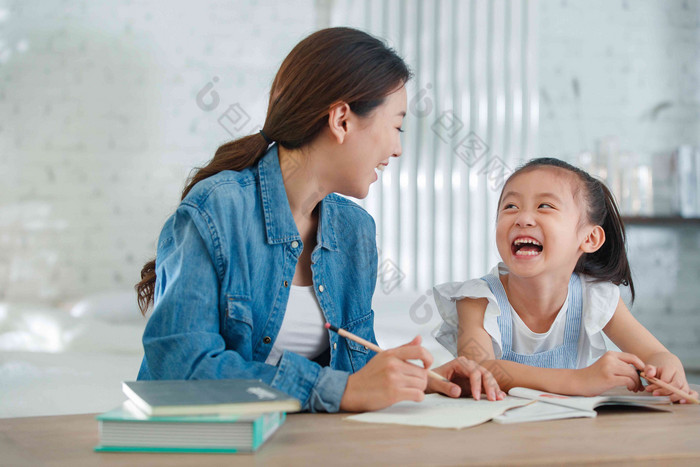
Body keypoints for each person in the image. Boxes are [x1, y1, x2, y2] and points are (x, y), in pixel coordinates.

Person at [135, 27, 504, 413]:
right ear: (342, 119)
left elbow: (353, 374)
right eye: (396, 127)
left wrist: (422, 380)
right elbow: (179, 368)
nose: (397, 149)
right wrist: (338, 390)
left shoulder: (354, 231)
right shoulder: (218, 210)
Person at [433, 157, 698, 403]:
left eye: (544, 206)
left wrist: (667, 365)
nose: (523, 218)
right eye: (510, 206)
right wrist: (580, 380)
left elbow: (654, 354)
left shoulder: (595, 296)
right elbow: (477, 371)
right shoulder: (477, 298)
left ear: (589, 239)